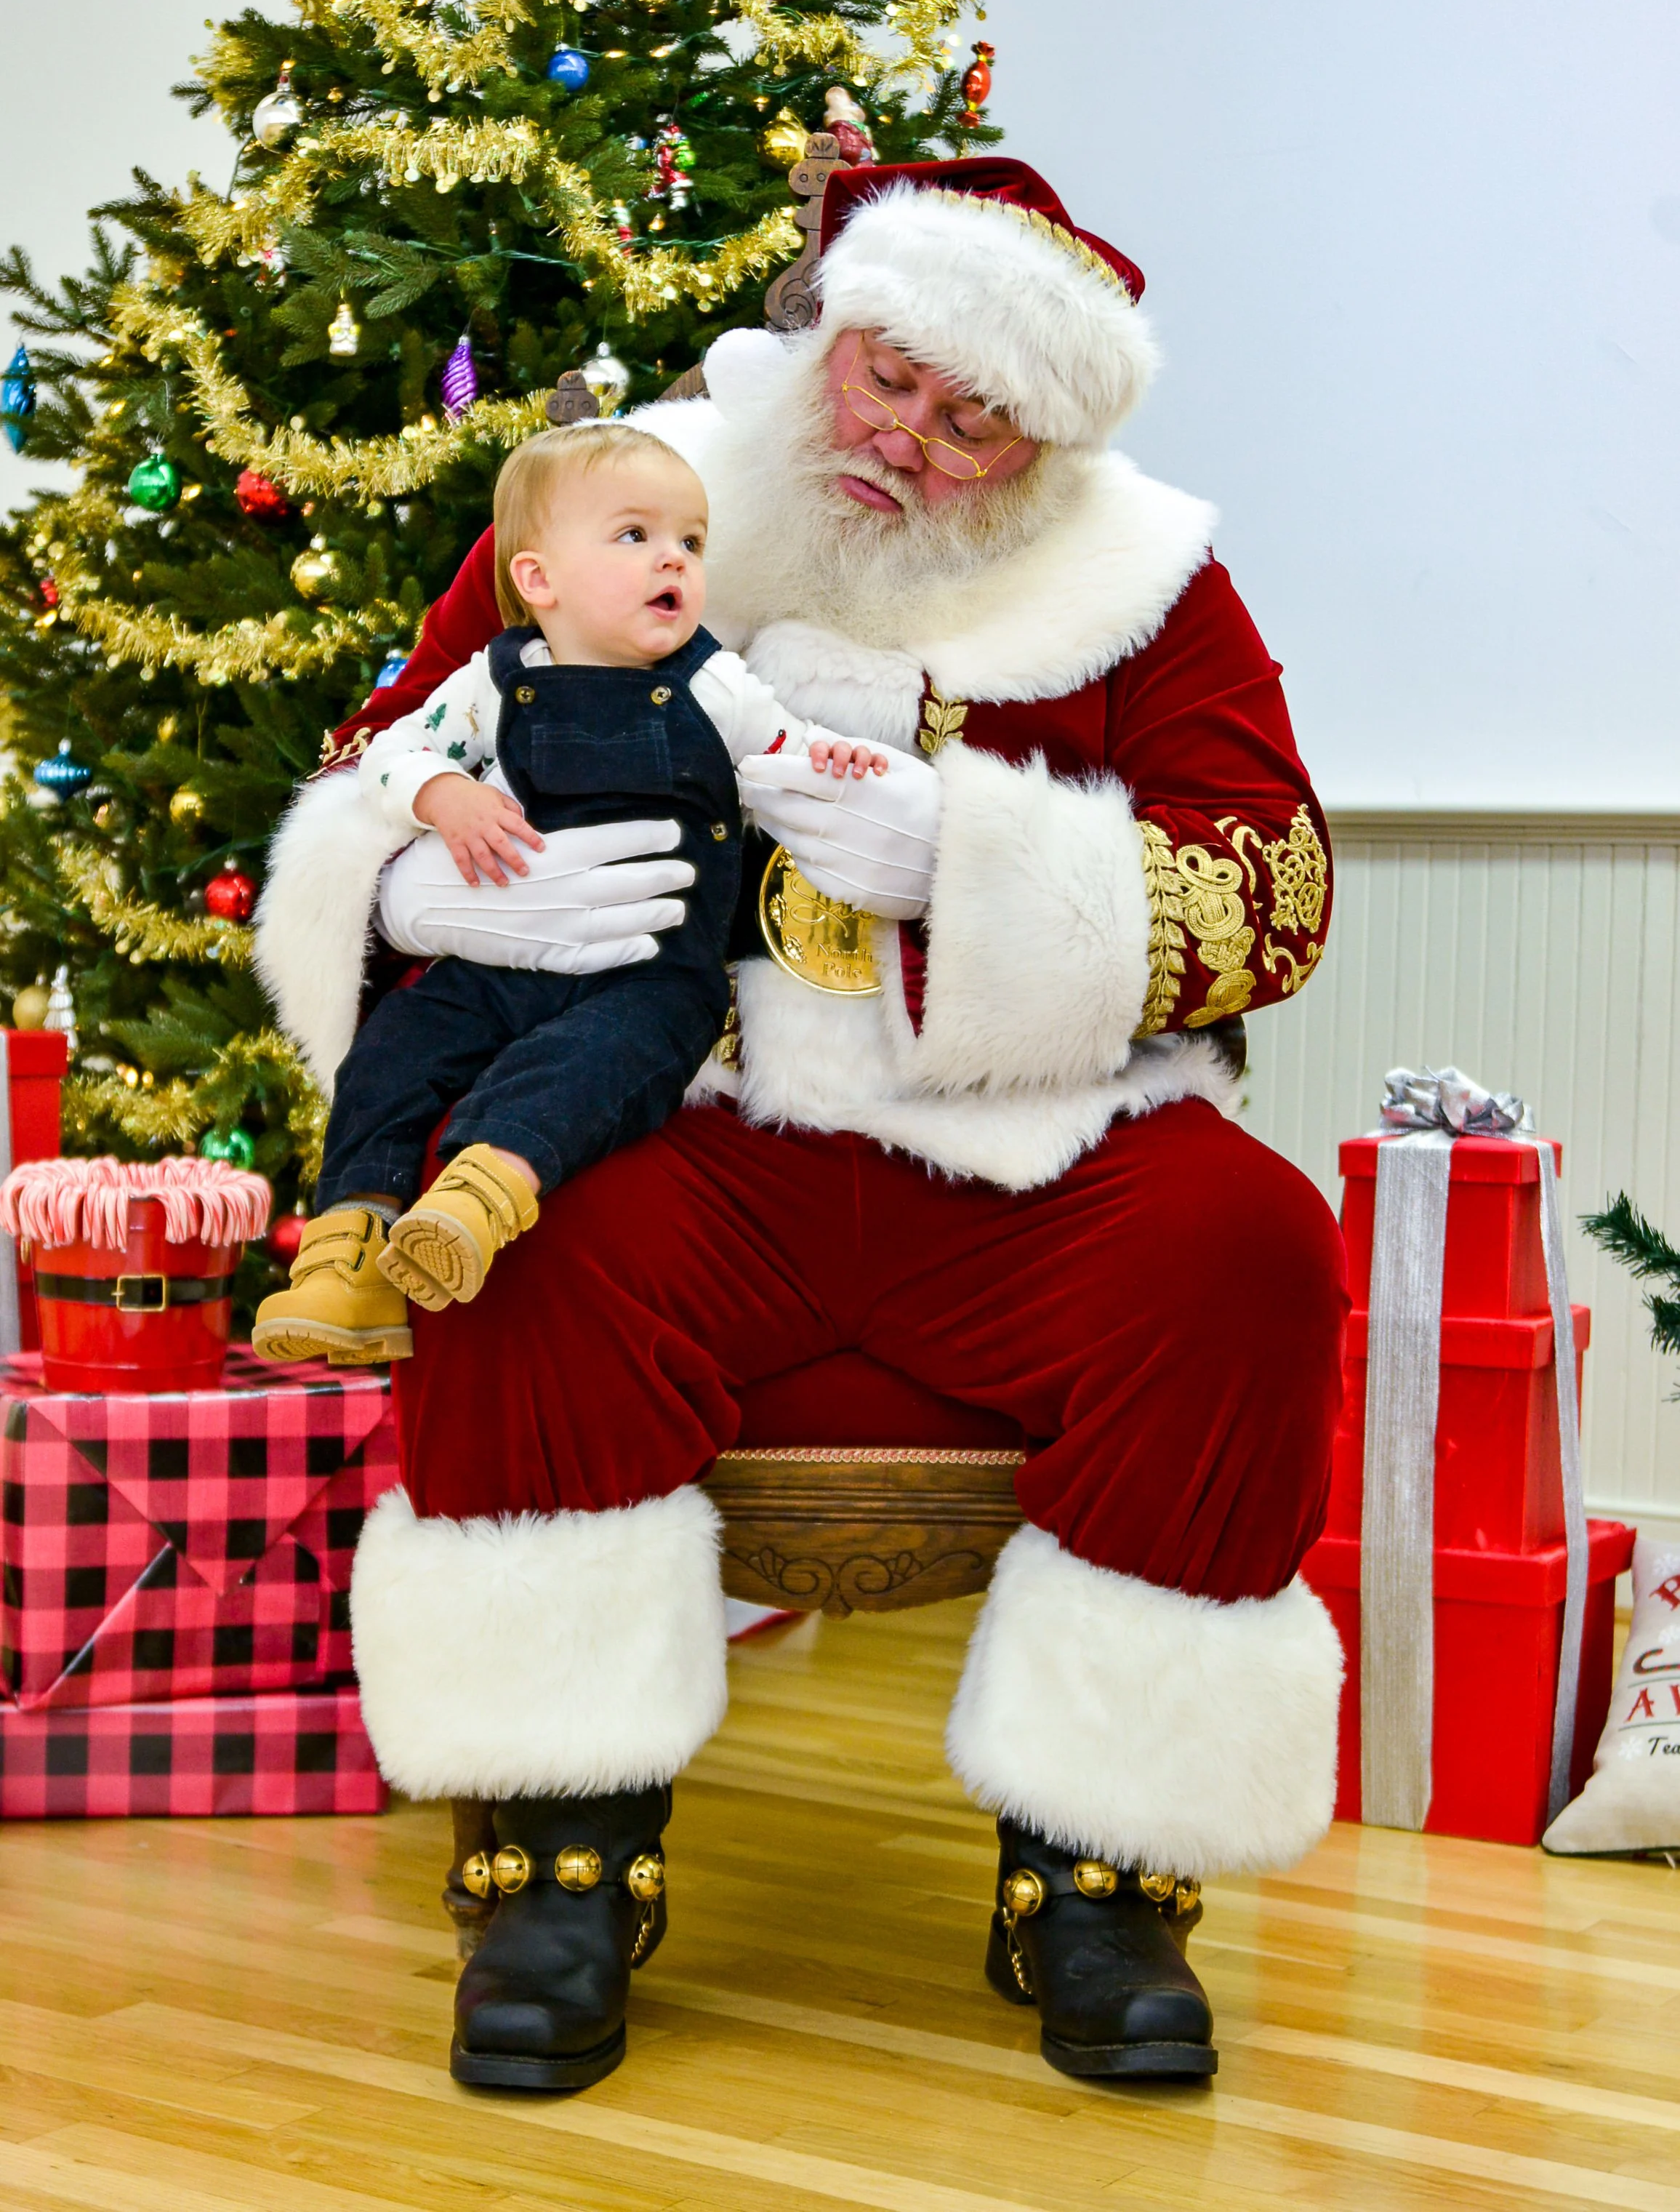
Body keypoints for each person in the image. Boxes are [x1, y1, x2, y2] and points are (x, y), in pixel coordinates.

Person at [256, 156, 1349, 2096]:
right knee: (507, 1223)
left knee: (1244, 1242)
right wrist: (420, 891)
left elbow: (1270, 888)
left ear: (1038, 445)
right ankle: (551, 1844)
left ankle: (1101, 1862)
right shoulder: (630, 491)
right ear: (825, 334)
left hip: (1026, 1147)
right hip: (674, 1116)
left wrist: (981, 862)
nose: (904, 437)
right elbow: (388, 748)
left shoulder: (1146, 579)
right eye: (884, 378)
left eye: (969, 415)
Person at [252, 421, 886, 1366]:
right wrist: (445, 792)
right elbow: (396, 751)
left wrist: (828, 756)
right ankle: (349, 1247)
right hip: (506, 954)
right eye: (634, 536)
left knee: (592, 1063)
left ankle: (481, 1193)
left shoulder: (711, 681)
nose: (672, 558)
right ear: (540, 580)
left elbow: (784, 748)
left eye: (690, 542)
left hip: (652, 973)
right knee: (396, 1047)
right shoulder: (495, 680)